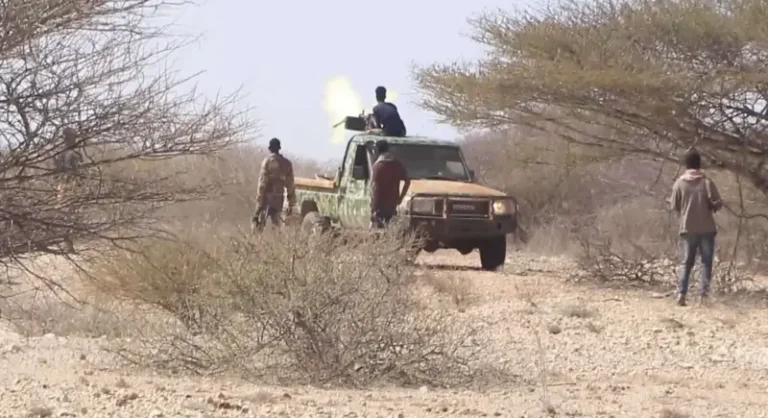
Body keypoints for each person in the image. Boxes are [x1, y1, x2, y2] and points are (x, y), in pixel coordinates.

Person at [669, 149, 723, 306]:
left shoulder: (679, 183)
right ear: (699, 164)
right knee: (706, 262)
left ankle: (682, 294)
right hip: (707, 228)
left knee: (686, 262)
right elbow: (718, 203)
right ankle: (703, 297)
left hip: (688, 228)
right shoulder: (707, 182)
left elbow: (674, 206)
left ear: (686, 164)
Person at [253, 138, 296, 228]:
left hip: (266, 196)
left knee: (258, 224)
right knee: (276, 225)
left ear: (270, 148)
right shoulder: (287, 163)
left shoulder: (267, 161)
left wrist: (259, 199)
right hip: (279, 197)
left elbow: (262, 182)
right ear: (279, 148)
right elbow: (290, 185)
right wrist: (291, 203)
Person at [370, 139, 410, 228]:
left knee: (379, 230)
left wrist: (373, 207)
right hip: (392, 205)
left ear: (377, 150)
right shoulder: (397, 165)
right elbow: (407, 181)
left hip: (379, 205)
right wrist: (400, 198)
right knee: (390, 228)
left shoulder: (377, 166)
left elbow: (374, 188)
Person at [54, 127, 83, 204]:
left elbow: (80, 168)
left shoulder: (76, 154)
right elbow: (57, 167)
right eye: (71, 138)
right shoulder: (60, 153)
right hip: (64, 182)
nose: (73, 140)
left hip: (73, 182)